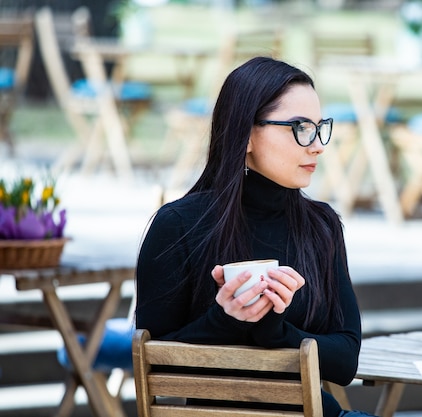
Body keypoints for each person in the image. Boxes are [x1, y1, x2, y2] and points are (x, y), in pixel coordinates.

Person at [136, 56, 376, 417]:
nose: (317, 146)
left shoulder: (322, 227)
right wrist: (226, 318)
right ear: (246, 134)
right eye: (299, 127)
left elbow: (345, 361)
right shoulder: (179, 225)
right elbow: (154, 365)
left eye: (318, 127)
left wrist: (275, 329)